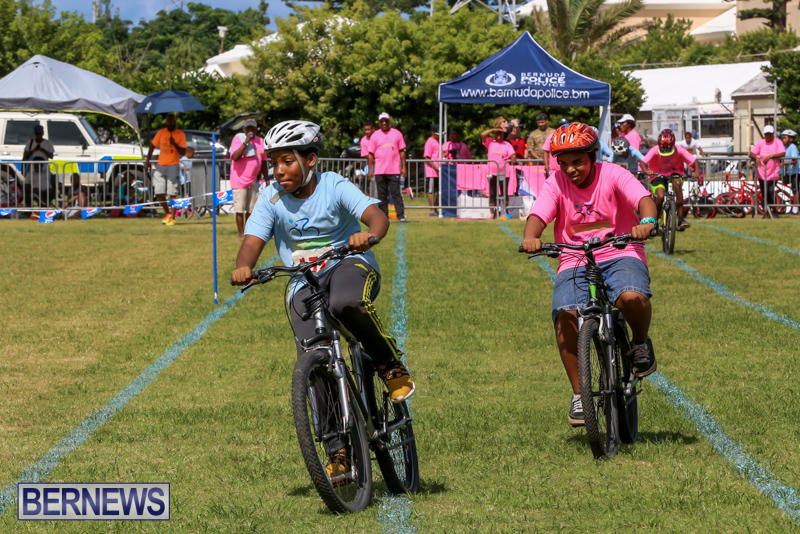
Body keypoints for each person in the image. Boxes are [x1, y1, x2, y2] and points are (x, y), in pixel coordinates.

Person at [231, 119, 414, 479]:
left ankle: (389, 364)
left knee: (345, 304)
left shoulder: (333, 185)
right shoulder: (271, 198)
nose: (279, 170)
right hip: (304, 280)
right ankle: (338, 452)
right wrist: (243, 266)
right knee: (313, 361)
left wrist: (370, 235)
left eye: (287, 161)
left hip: (349, 264)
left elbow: (376, 216)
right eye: (275, 163)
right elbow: (252, 241)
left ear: (310, 159)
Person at [520, 122, 658, 427]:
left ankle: (639, 342)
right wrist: (531, 236)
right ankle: (580, 395)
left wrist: (647, 221)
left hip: (620, 250)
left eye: (578, 162)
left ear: (593, 156)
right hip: (575, 257)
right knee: (565, 315)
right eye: (564, 163)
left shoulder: (614, 174)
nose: (571, 169)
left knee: (631, 297)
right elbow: (538, 215)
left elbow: (643, 199)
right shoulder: (555, 183)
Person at [643, 128, 697, 229]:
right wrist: (646, 170)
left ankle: (680, 219)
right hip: (657, 174)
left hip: (675, 172)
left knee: (678, 188)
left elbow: (694, 160)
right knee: (660, 196)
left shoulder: (679, 149)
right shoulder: (654, 150)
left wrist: (696, 172)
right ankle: (655, 222)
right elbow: (643, 162)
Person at [145, 114, 186, 226]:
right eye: (168, 121)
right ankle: (167, 213)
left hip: (173, 165)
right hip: (160, 165)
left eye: (172, 121)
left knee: (172, 192)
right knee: (158, 192)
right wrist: (147, 161)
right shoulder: (161, 132)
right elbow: (152, 146)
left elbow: (183, 152)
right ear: (166, 122)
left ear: (174, 122)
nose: (170, 123)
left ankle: (173, 218)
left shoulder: (180, 134)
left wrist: (174, 144)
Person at [367, 112, 407, 222]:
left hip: (394, 169)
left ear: (389, 121)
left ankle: (401, 215)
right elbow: (370, 154)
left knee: (396, 193)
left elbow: (402, 151)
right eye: (382, 121)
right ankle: (384, 216)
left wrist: (404, 167)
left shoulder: (397, 134)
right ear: (379, 123)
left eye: (386, 121)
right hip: (380, 170)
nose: (384, 123)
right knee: (382, 195)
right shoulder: (375, 135)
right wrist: (370, 170)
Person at [230, 119, 265, 239]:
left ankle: (249, 232)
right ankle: (241, 234)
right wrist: (246, 142)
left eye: (253, 128)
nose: (251, 130)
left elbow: (264, 162)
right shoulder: (238, 139)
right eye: (248, 128)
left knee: (251, 209)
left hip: (253, 180)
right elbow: (235, 157)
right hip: (239, 180)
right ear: (244, 130)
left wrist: (267, 179)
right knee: (240, 209)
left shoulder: (261, 141)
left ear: (256, 129)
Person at [480, 116, 517, 218]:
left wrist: (513, 158)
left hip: (504, 173)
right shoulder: (490, 142)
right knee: (493, 193)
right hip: (492, 173)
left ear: (503, 135)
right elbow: (482, 135)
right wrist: (494, 130)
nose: (499, 136)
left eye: (501, 134)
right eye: (497, 134)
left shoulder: (507, 144)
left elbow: (512, 155)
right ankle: (493, 213)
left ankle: (505, 212)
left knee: (504, 193)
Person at [749, 125, 785, 213]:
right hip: (762, 173)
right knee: (764, 193)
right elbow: (751, 153)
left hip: (773, 173)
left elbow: (782, 153)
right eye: (766, 134)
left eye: (770, 134)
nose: (768, 136)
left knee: (770, 191)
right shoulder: (761, 142)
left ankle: (773, 210)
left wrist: (771, 156)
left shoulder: (777, 142)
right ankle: (768, 211)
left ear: (773, 134)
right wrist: (756, 157)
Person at [22, 124, 55, 206]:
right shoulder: (30, 142)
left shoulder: (48, 143)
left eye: (40, 133)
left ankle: (44, 202)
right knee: (31, 182)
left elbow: (51, 156)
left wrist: (42, 150)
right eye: (37, 133)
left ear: (43, 133)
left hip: (44, 166)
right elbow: (25, 155)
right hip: (33, 166)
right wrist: (34, 150)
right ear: (35, 133)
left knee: (45, 184)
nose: (38, 135)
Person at [422, 126, 440, 216]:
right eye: (437, 134)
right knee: (431, 191)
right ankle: (432, 210)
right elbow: (427, 158)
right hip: (432, 172)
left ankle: (435, 209)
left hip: (439, 172)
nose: (439, 136)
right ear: (433, 133)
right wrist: (436, 168)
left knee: (438, 191)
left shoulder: (438, 142)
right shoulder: (429, 142)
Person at [781, 129, 799, 213]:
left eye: (785, 138)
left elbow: (795, 160)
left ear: (791, 139)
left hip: (796, 172)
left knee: (795, 190)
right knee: (788, 187)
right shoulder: (786, 147)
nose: (783, 140)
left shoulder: (793, 147)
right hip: (789, 172)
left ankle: (795, 208)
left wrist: (784, 163)